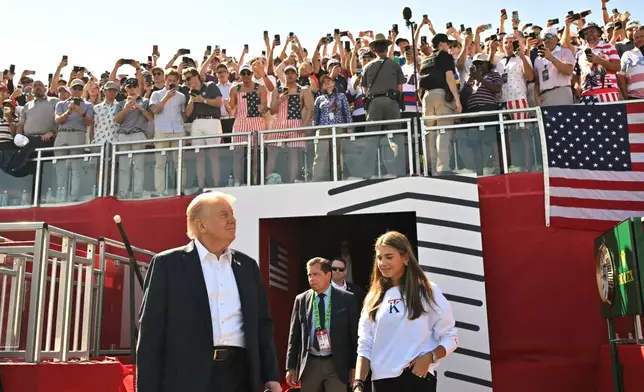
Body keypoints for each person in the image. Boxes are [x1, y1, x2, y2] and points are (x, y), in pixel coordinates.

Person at [137, 191, 282, 392]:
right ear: (201, 225)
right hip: (188, 378)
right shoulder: (167, 265)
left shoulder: (247, 267)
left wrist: (271, 376)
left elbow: (262, 325)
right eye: (224, 215)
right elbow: (151, 334)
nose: (232, 220)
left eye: (232, 214)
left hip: (240, 377)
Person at [351, 231, 458, 392]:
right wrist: (358, 383)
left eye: (389, 257)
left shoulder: (427, 290)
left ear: (405, 258)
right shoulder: (373, 298)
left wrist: (430, 357)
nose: (382, 263)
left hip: (417, 379)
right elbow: (365, 344)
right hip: (381, 382)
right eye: (379, 258)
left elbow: (450, 337)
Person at [286, 257, 359, 392]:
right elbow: (294, 335)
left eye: (316, 274)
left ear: (328, 275)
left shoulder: (347, 298)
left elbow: (354, 335)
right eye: (309, 275)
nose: (312, 278)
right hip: (310, 364)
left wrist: (354, 366)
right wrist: (290, 367)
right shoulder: (301, 299)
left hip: (336, 364)